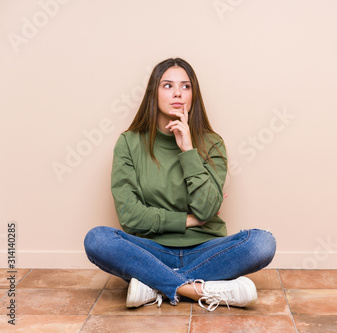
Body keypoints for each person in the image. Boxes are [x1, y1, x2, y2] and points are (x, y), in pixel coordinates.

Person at [84, 58, 276, 311]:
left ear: (193, 94)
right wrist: (190, 220)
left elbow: (207, 209)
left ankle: (153, 284)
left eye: (185, 86)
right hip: (150, 250)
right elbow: (130, 217)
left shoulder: (212, 143)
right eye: (167, 85)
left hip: (207, 249)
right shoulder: (129, 143)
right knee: (97, 239)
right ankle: (199, 290)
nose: (177, 93)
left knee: (262, 243)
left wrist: (188, 150)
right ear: (154, 93)